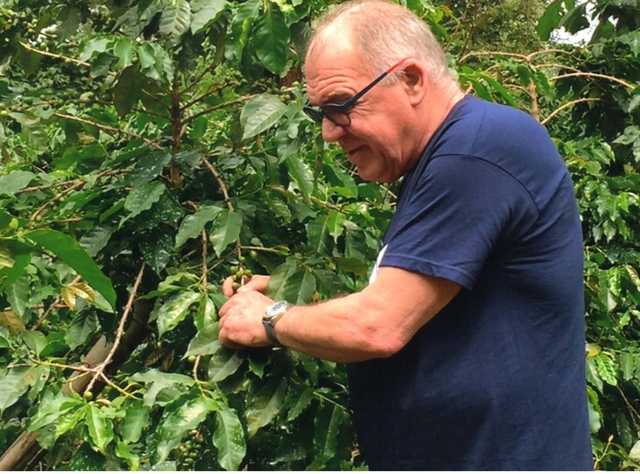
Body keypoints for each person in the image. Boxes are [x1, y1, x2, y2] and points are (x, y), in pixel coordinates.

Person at [218, 0, 593, 469]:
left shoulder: (475, 152)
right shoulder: (454, 153)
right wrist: (293, 294)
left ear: (411, 80)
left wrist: (270, 319)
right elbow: (424, 304)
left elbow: (377, 327)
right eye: (322, 114)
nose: (329, 134)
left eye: (341, 106)